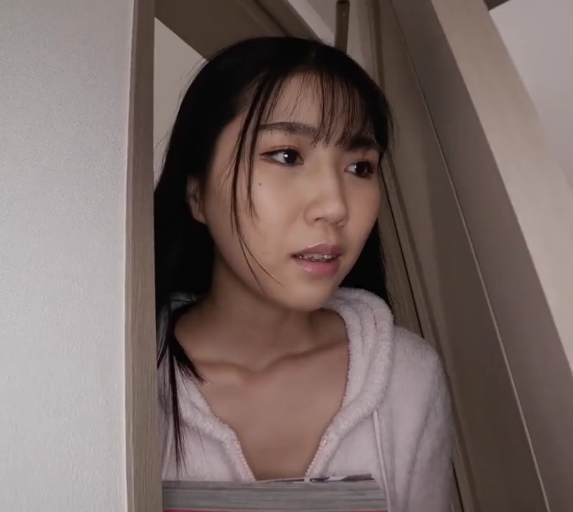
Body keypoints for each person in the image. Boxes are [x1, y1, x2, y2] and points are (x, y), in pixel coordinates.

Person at [154, 35, 456, 511]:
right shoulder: (125, 376)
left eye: (360, 167)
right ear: (196, 194)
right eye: (286, 156)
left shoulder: (408, 377)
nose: (335, 206)